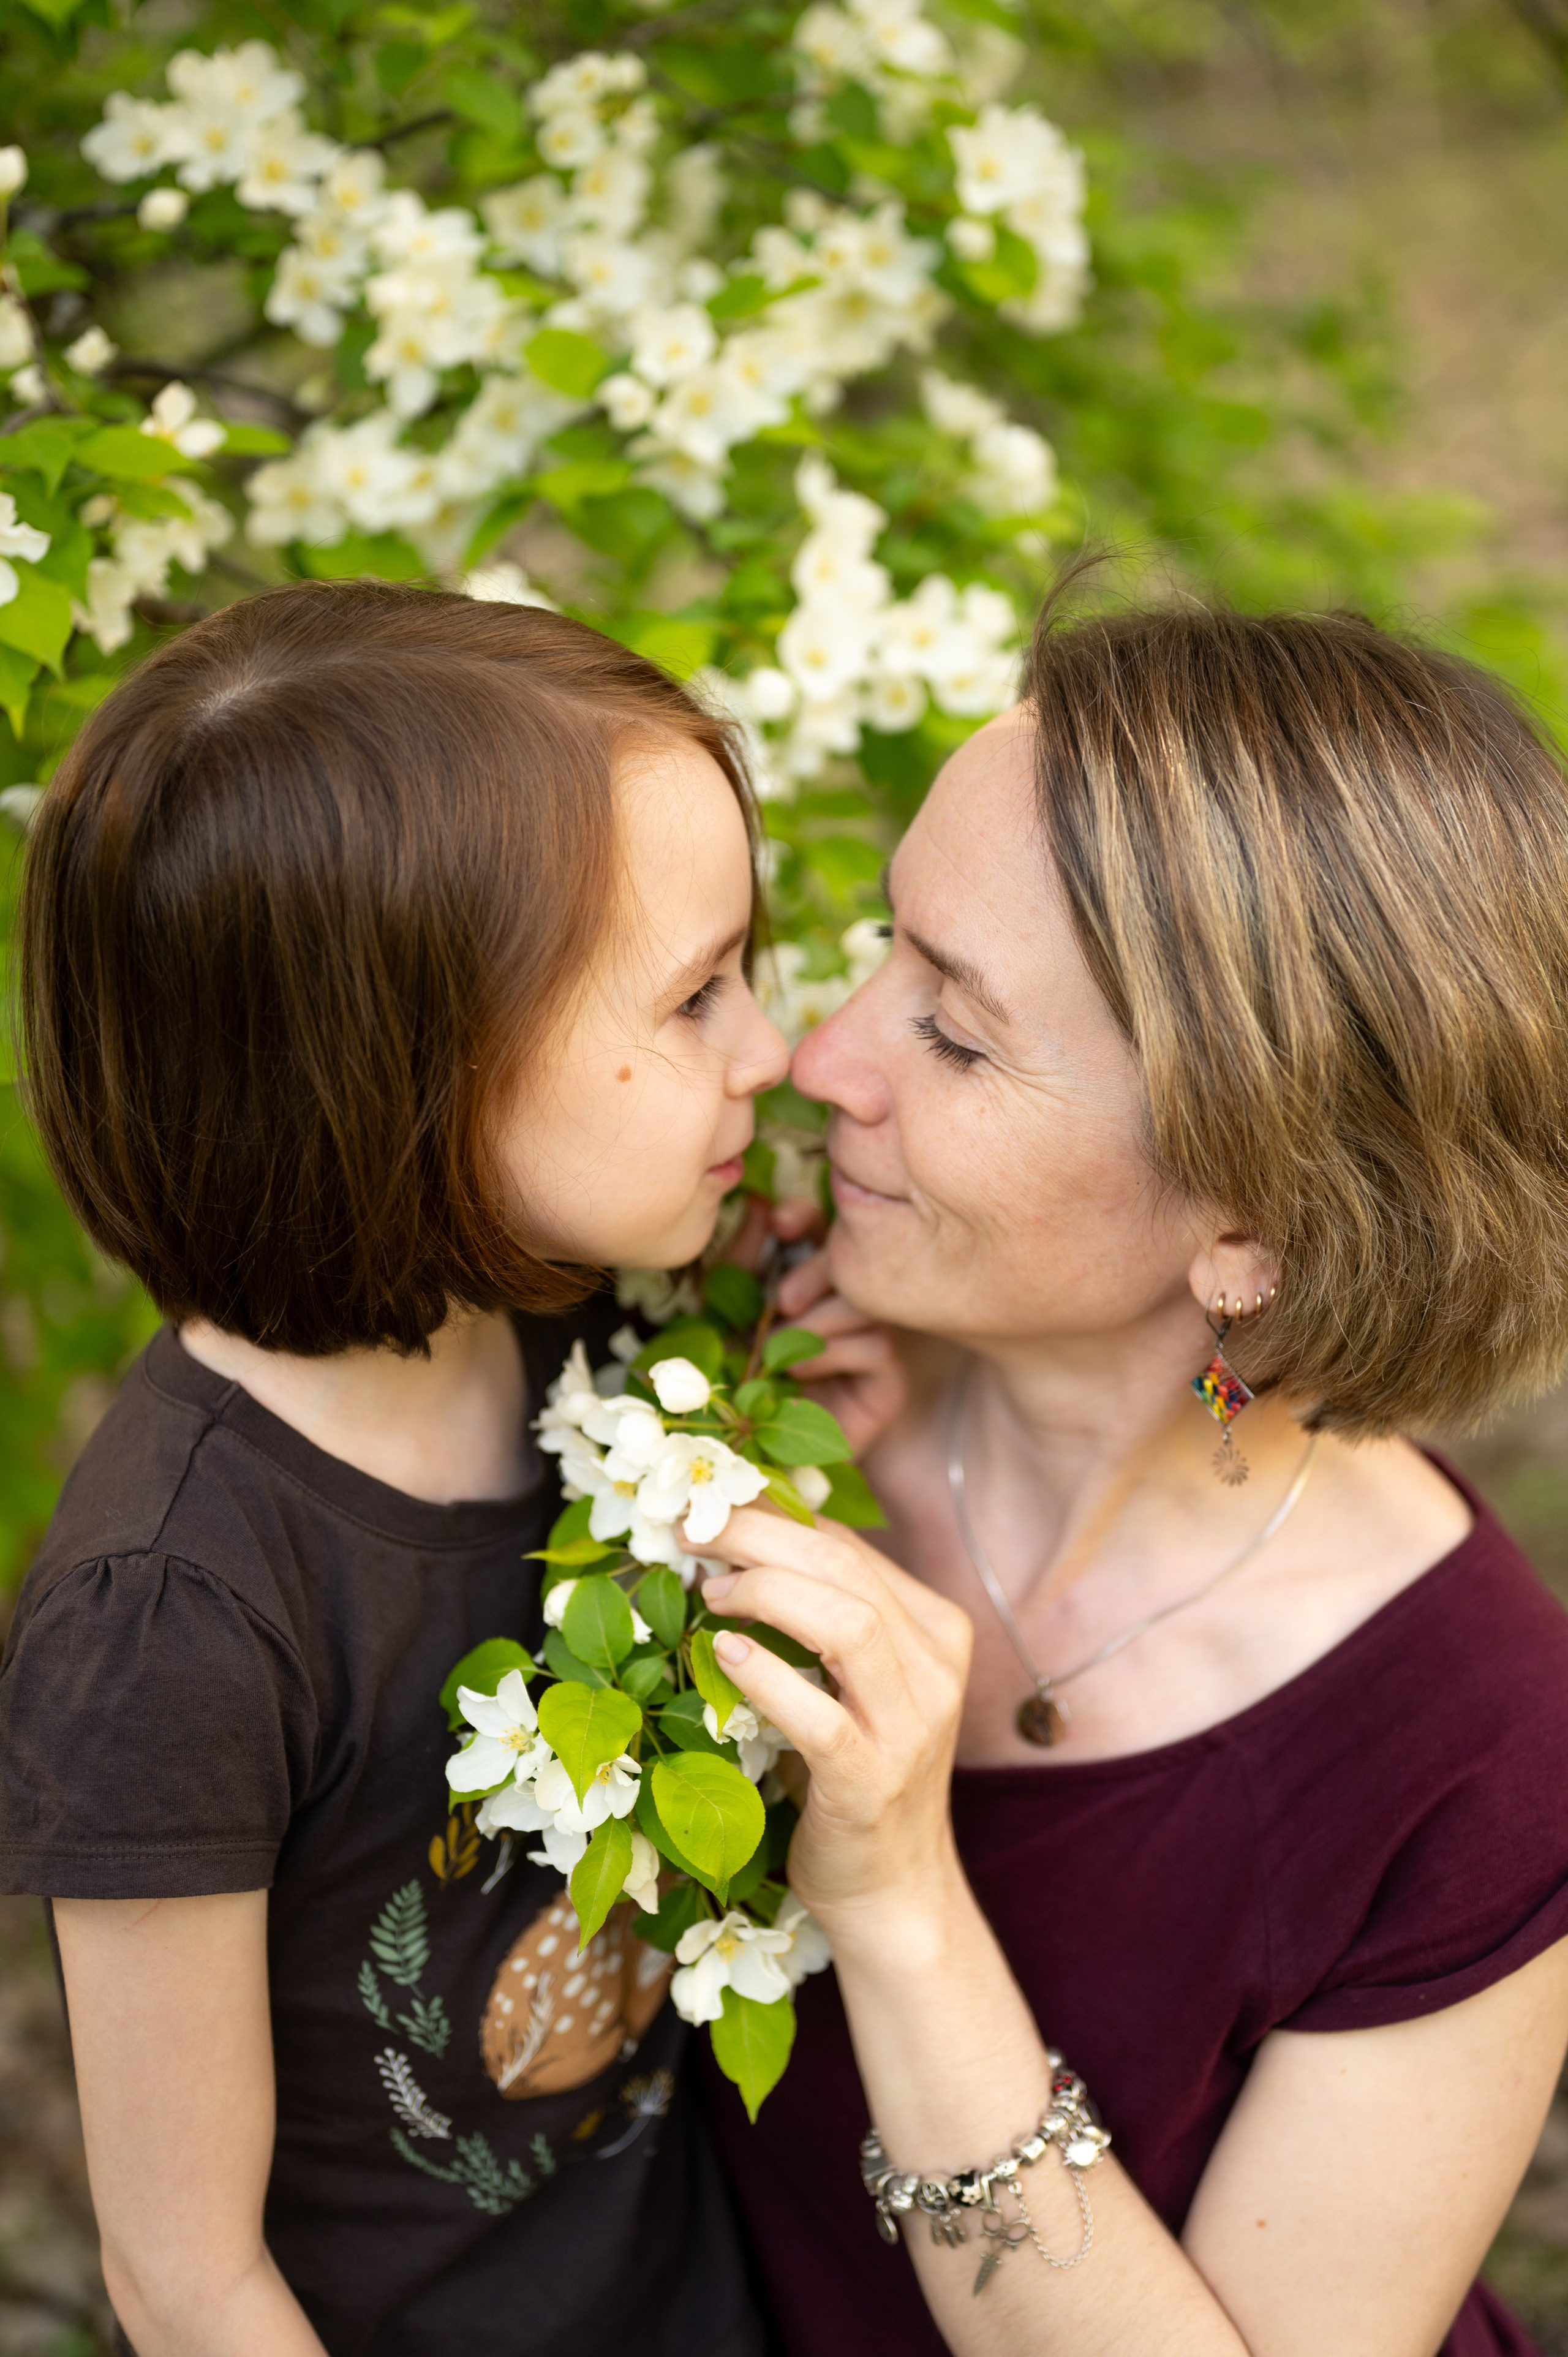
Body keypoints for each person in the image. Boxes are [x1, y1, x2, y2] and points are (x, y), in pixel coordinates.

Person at [695, 603, 1568, 2357]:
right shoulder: (737, 1365)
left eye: (955, 1034)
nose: (821, 1060)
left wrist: (904, 1908)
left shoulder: (1477, 1748)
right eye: (885, 947)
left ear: (1253, 1227)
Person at [0, 578, 839, 2357]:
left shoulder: (585, 1331)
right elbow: (186, 2276)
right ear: (414, 1077)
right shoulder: (175, 1619)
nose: (770, 1053)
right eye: (696, 997)